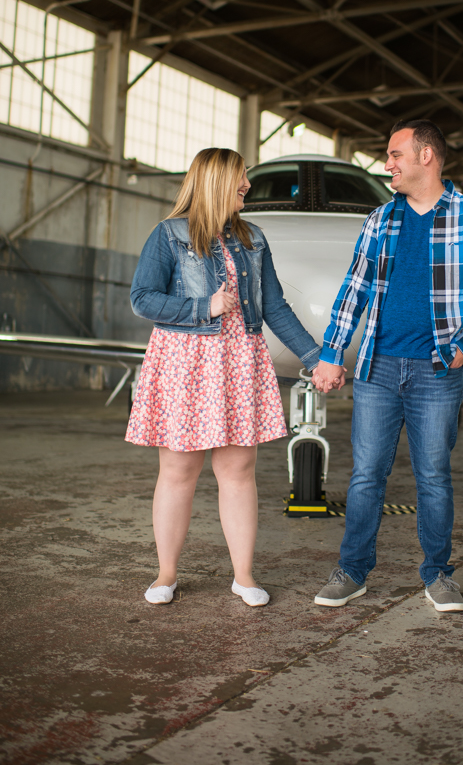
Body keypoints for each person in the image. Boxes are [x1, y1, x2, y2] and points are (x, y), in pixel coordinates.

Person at [310, 120, 463, 612]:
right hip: (378, 366)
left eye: (395, 154)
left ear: (427, 156)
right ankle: (353, 571)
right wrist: (331, 352)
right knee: (365, 477)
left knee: (433, 477)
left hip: (439, 370)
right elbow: (354, 289)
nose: (388, 165)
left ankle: (439, 575)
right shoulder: (380, 219)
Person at [126, 148, 321, 608]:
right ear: (215, 180)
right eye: (241, 178)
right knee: (178, 472)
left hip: (238, 362)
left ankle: (244, 576)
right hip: (184, 363)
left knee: (238, 471)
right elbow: (142, 299)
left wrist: (316, 356)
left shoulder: (254, 238)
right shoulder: (169, 234)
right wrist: (202, 308)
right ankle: (166, 575)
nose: (247, 186)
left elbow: (274, 307)